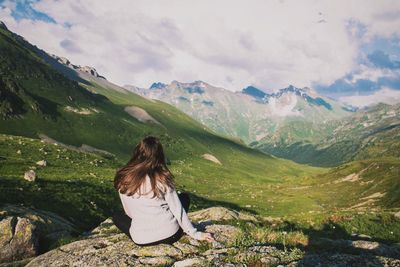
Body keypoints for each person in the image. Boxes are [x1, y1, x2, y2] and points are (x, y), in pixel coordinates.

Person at [112, 136, 214, 246]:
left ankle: (144, 234)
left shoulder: (123, 178)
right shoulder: (161, 178)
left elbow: (129, 213)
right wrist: (195, 234)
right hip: (170, 235)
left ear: (138, 153)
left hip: (141, 240)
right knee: (184, 198)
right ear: (159, 156)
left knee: (117, 216)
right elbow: (177, 210)